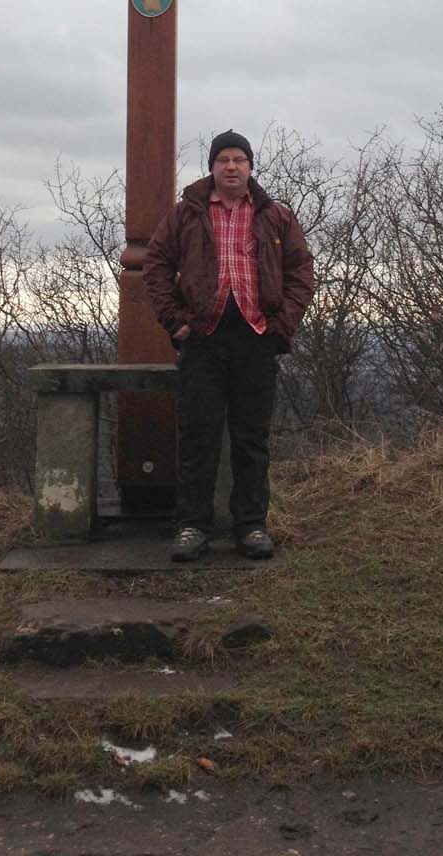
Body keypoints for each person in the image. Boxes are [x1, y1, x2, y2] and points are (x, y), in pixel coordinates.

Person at [143, 129, 315, 562]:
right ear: (212, 167)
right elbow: (157, 265)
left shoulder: (275, 215)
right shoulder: (186, 214)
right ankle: (192, 527)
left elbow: (301, 271)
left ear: (251, 166)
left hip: (257, 338)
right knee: (199, 437)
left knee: (251, 439)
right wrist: (174, 321)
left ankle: (251, 526)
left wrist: (283, 326)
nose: (232, 166)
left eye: (240, 159)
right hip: (202, 338)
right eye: (224, 160)